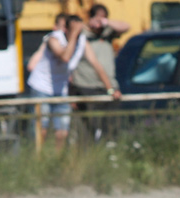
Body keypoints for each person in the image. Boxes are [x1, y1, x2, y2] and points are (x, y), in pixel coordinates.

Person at [26, 14, 116, 150]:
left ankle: (57, 160)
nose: (79, 33)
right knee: (41, 130)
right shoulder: (54, 39)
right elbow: (65, 57)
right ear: (66, 29)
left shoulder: (82, 41)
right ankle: (37, 159)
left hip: (61, 90)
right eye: (75, 29)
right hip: (41, 88)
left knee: (62, 133)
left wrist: (111, 89)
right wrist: (73, 35)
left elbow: (96, 65)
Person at [69, 5, 129, 142]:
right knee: (89, 127)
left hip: (109, 86)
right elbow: (96, 66)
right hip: (87, 87)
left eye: (103, 18)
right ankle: (89, 151)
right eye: (98, 18)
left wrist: (106, 22)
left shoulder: (107, 32)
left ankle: (110, 148)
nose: (99, 22)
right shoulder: (82, 36)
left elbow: (126, 27)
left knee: (111, 126)